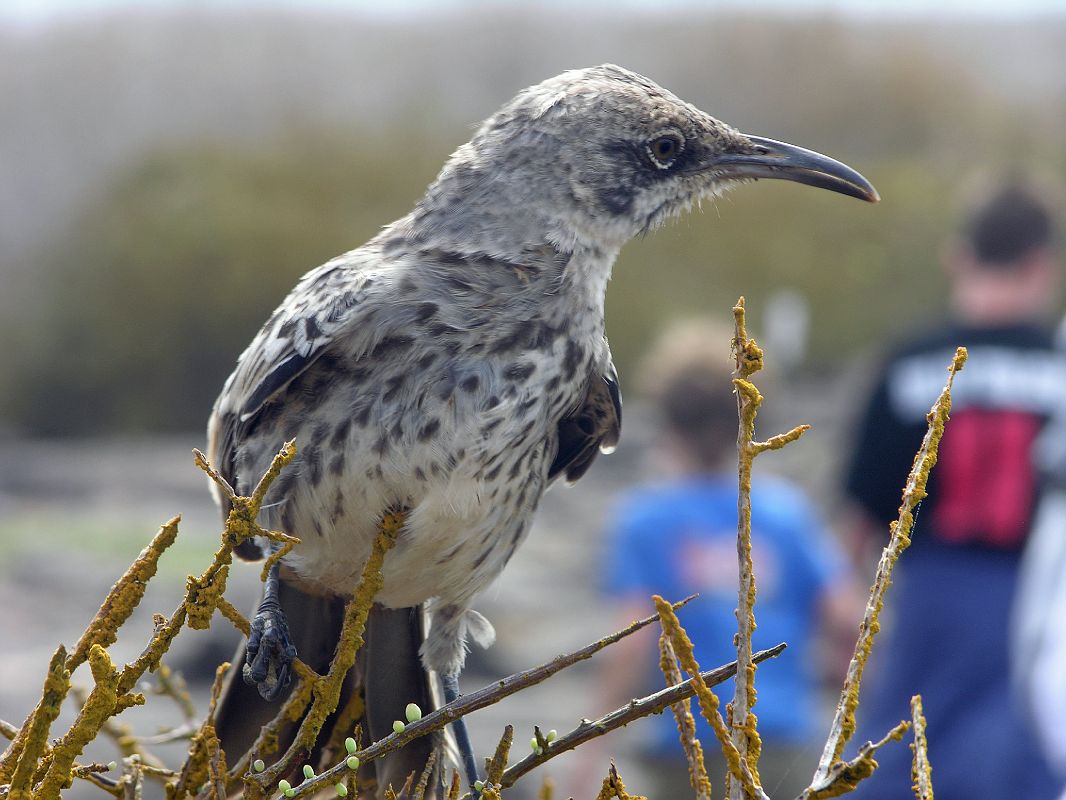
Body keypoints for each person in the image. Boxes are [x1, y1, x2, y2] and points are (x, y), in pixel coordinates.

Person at [841, 178, 1066, 799]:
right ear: (1040, 265)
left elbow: (861, 516)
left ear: (958, 257)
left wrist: (844, 631)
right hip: (1036, 600)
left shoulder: (911, 360)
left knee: (905, 759)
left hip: (930, 594)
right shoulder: (1059, 364)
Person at [585, 319, 859, 798]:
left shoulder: (645, 520)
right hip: (780, 742)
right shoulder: (784, 512)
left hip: (685, 751)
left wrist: (591, 749)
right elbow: (847, 617)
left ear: (669, 419)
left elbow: (630, 642)